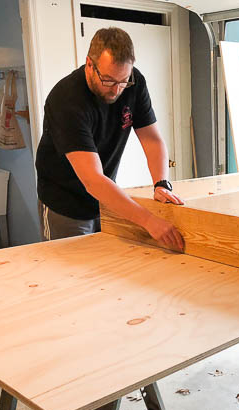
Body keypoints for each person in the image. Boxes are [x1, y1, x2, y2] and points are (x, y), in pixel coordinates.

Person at [35, 27, 184, 251]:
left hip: (105, 199)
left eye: (123, 81)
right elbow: (93, 179)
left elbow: (152, 139)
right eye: (108, 80)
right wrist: (148, 221)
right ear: (89, 64)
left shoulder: (135, 82)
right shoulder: (66, 100)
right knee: (71, 276)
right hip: (65, 204)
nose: (117, 90)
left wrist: (161, 183)